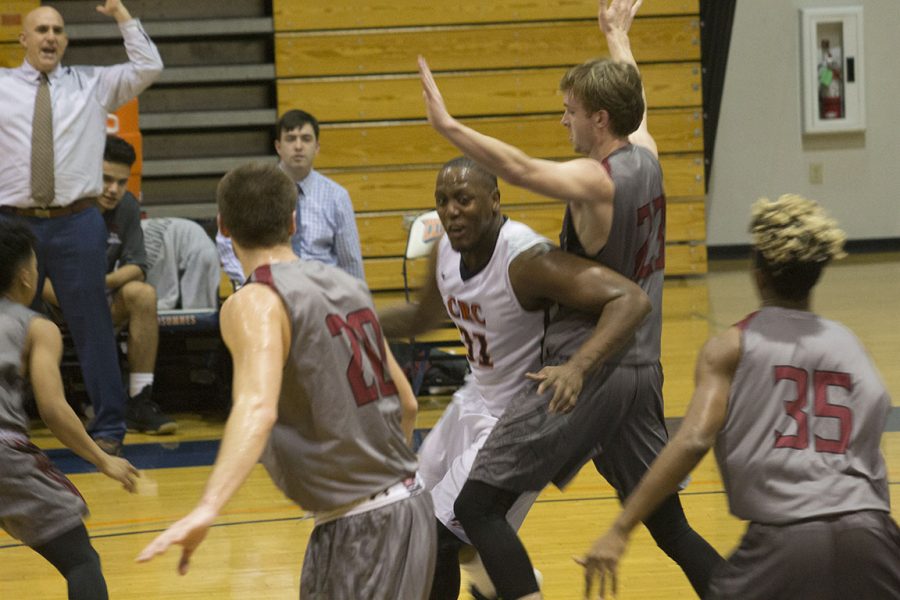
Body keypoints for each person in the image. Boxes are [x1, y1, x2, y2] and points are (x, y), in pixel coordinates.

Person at [419, 1, 723, 598]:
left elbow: (521, 168)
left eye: (571, 112)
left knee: (475, 506)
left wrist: (451, 129)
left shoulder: (596, 180)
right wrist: (616, 38)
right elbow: (640, 107)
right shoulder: (648, 156)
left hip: (592, 368)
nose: (566, 122)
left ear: (600, 120)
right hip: (642, 370)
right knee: (668, 524)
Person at [580, 194, 900, 600]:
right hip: (871, 533)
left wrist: (621, 527)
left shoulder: (732, 346)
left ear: (758, 272)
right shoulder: (850, 345)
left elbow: (693, 439)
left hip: (785, 536)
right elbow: (874, 429)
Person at [137, 162, 432, 598]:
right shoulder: (347, 285)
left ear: (222, 227)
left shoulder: (253, 301)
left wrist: (207, 507)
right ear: (293, 222)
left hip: (362, 524)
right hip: (409, 505)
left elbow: (256, 407)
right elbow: (407, 402)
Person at [379, 157, 651, 599]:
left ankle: (507, 584)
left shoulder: (526, 260)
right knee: (415, 517)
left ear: (495, 201)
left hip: (519, 417)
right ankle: (494, 582)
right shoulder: (446, 249)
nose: (452, 211)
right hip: (474, 398)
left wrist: (577, 366)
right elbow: (424, 314)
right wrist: (354, 323)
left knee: (440, 533)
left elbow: (631, 299)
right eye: (443, 200)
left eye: (464, 199)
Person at [0, 1, 164, 456]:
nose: (50, 37)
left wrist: (122, 17)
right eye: (41, 30)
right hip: (11, 225)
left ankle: (109, 425)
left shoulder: (92, 83)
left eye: (58, 30)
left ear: (66, 40)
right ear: (24, 39)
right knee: (6, 329)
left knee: (93, 326)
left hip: (76, 222)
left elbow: (150, 64)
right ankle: (9, 428)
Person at [0, 219, 139, 600]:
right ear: (28, 277)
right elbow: (53, 408)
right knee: (80, 560)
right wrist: (102, 459)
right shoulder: (35, 326)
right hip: (3, 454)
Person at [44, 136, 176, 435]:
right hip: (53, 308)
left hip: (96, 302)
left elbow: (138, 266)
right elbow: (34, 278)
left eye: (121, 181)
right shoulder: (60, 202)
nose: (113, 189)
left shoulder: (126, 206)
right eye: (105, 179)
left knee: (142, 294)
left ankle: (138, 401)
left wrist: (99, 284)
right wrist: (76, 297)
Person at [217, 109, 365, 286]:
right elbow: (226, 243)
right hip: (266, 288)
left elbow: (350, 261)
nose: (298, 146)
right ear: (278, 146)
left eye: (306, 139)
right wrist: (253, 282)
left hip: (322, 293)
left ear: (317, 147)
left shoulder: (337, 196)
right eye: (291, 138)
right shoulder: (255, 188)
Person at [141, 217, 221, 310]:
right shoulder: (136, 229)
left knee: (196, 316)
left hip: (198, 253)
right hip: (197, 241)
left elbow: (162, 300)